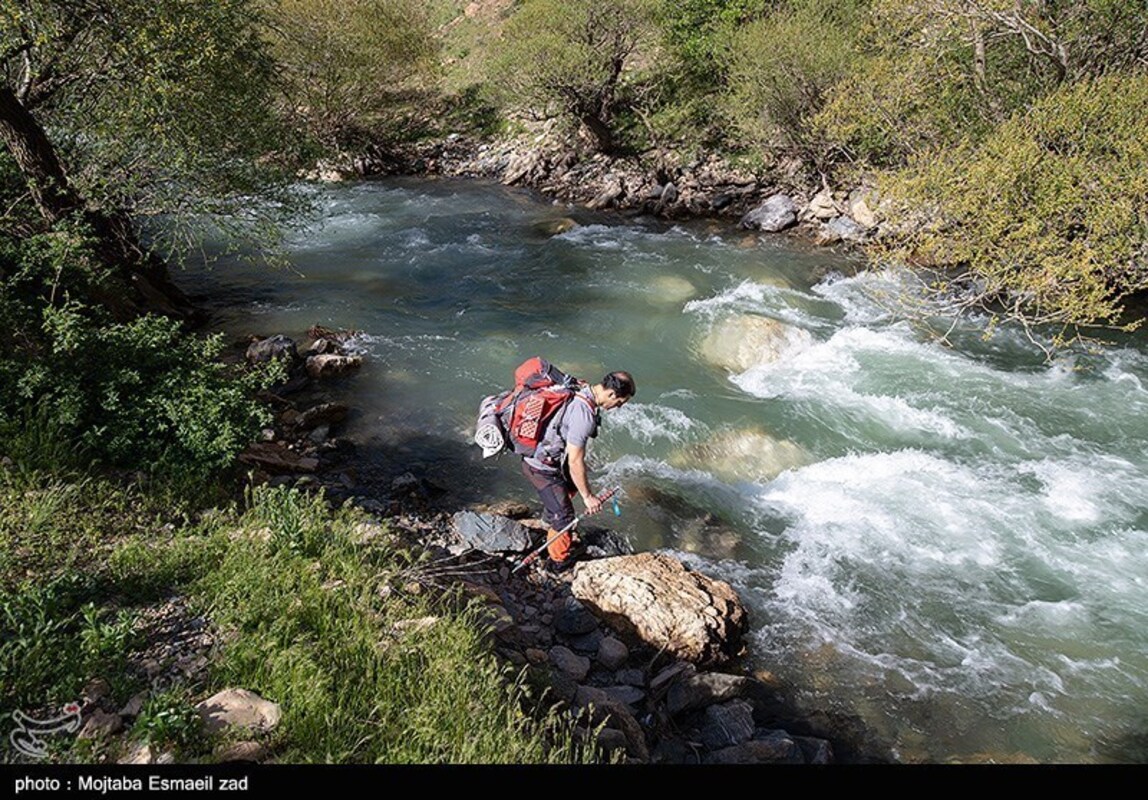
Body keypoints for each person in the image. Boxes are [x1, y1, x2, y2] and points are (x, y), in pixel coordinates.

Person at [520, 370, 636, 572]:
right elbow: (574, 461)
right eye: (619, 403)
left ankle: (550, 521)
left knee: (570, 486)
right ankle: (557, 563)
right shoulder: (584, 415)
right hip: (540, 466)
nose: (617, 408)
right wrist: (588, 496)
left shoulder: (581, 389)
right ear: (610, 394)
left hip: (546, 456)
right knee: (565, 517)